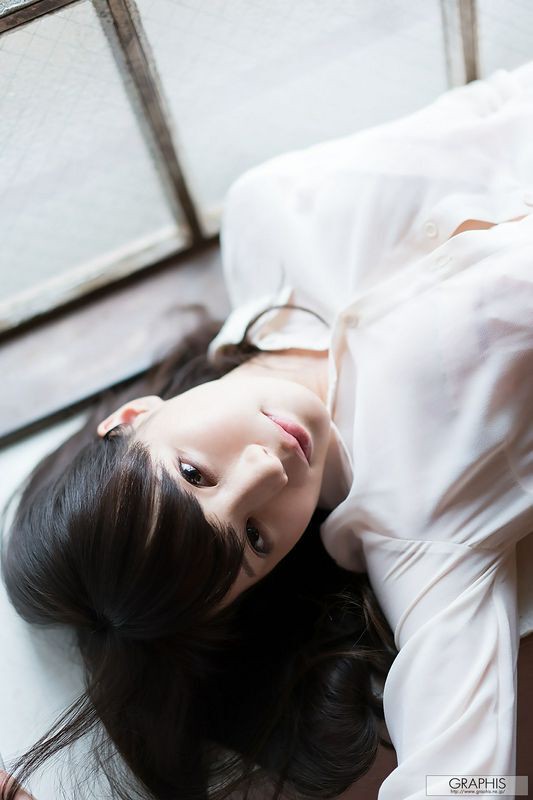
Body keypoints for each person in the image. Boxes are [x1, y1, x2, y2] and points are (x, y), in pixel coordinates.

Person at [1, 60, 533, 800]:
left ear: (131, 418)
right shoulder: (416, 525)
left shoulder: (269, 216)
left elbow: (488, 106)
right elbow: (464, 784)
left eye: (193, 474)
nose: (268, 470)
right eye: (255, 540)